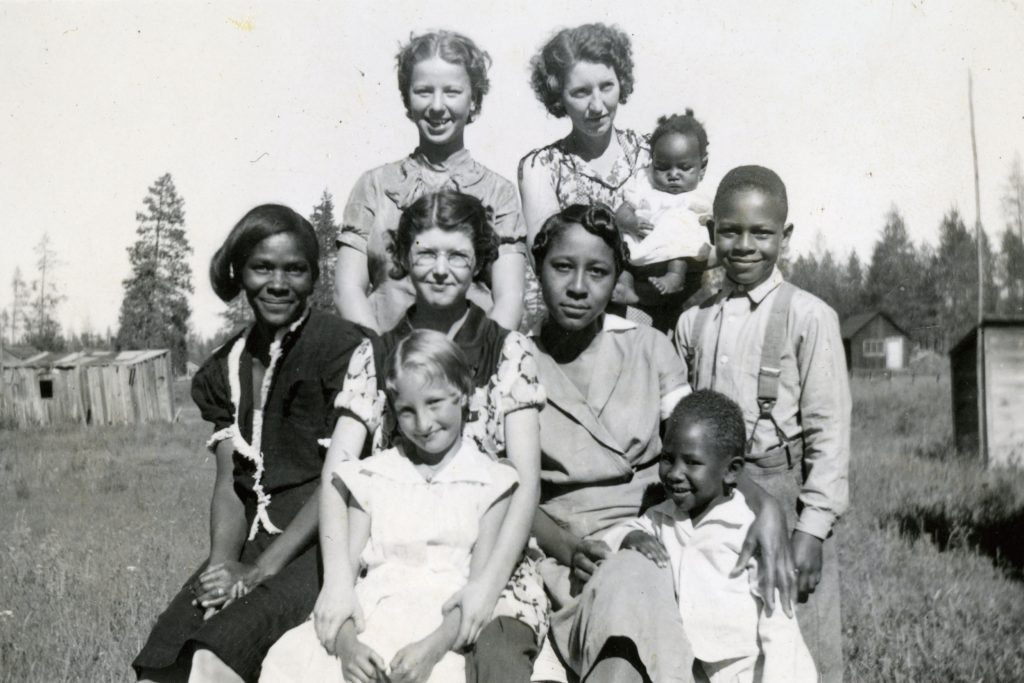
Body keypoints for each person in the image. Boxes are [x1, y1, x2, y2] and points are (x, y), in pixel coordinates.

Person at [528, 203, 796, 683]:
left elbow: (702, 447)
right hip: (560, 546)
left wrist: (768, 506)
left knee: (638, 585)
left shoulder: (648, 347)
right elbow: (508, 488)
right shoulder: (518, 359)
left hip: (653, 535)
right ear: (537, 268)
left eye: (598, 272)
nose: (577, 287)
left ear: (617, 281)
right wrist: (571, 547)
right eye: (562, 267)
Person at [304, 191, 547, 682]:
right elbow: (338, 471)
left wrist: (485, 586)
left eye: (457, 255)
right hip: (400, 555)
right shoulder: (375, 355)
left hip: (492, 559)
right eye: (426, 254)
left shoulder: (508, 350)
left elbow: (525, 482)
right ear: (403, 259)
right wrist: (337, 580)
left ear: (478, 261)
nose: (441, 269)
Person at [133, 205, 366, 683]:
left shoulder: (342, 348)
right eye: (262, 267)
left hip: (323, 541)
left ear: (313, 276)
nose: (277, 284)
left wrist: (258, 573)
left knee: (218, 652)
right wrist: (222, 565)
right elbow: (230, 483)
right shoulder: (224, 367)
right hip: (257, 540)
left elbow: (342, 476)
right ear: (239, 272)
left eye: (294, 269)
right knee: (165, 657)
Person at [674, 165, 852, 683]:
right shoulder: (694, 321)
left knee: (800, 644)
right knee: (724, 637)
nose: (745, 245)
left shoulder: (809, 316)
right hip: (712, 499)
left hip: (784, 489)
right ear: (712, 235)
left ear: (785, 236)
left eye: (762, 233)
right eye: (730, 231)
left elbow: (829, 436)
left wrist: (812, 532)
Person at [259, 330, 519, 683]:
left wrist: (431, 651)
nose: (423, 424)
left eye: (435, 404)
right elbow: (343, 584)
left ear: (463, 393)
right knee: (291, 659)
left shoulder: (491, 482)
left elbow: (477, 592)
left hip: (442, 630)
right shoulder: (373, 476)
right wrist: (349, 647)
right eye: (407, 411)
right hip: (371, 616)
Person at [601, 390, 816, 683]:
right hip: (693, 669)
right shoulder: (663, 516)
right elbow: (618, 534)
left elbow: (779, 623)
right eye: (667, 458)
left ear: (731, 471)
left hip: (750, 671)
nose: (675, 473)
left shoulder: (748, 532)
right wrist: (629, 539)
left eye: (692, 462)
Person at [334, 30, 526, 334]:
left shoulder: (498, 193)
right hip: (386, 362)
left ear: (474, 100)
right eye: (424, 91)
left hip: (470, 367)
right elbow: (348, 289)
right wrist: (380, 359)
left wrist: (476, 363)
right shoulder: (374, 186)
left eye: (452, 91)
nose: (437, 106)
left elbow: (510, 296)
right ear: (407, 100)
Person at [518, 23, 652, 326]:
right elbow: (548, 257)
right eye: (580, 92)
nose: (597, 106)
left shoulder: (654, 153)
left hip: (655, 317)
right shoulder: (541, 167)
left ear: (622, 82)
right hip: (575, 324)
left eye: (606, 87)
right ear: (558, 96)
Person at [613, 111, 714, 331]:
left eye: (684, 168)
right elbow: (621, 212)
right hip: (644, 242)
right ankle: (626, 286)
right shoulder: (643, 184)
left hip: (673, 251)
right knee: (622, 253)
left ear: (702, 167)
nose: (673, 175)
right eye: (663, 167)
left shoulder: (698, 196)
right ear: (652, 163)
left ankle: (674, 277)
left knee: (680, 245)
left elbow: (710, 223)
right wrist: (631, 223)